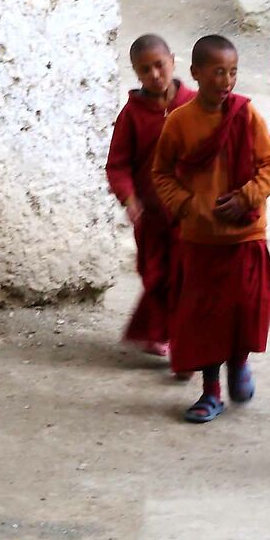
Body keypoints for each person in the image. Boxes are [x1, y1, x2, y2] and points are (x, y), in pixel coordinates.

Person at [150, 35, 270, 424]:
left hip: (244, 235)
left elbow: (269, 162)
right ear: (195, 74)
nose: (227, 82)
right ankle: (211, 391)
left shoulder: (246, 115)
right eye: (217, 72)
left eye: (233, 72)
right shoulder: (180, 122)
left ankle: (239, 364)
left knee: (242, 308)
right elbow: (162, 173)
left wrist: (248, 197)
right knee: (205, 317)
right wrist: (187, 205)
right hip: (201, 238)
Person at [104, 33, 195, 362]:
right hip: (151, 214)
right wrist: (130, 200)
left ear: (172, 60)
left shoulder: (195, 104)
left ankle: (173, 334)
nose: (155, 75)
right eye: (145, 70)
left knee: (186, 274)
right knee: (156, 275)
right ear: (136, 73)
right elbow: (117, 165)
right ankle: (159, 332)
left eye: (160, 65)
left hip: (189, 211)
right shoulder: (132, 114)